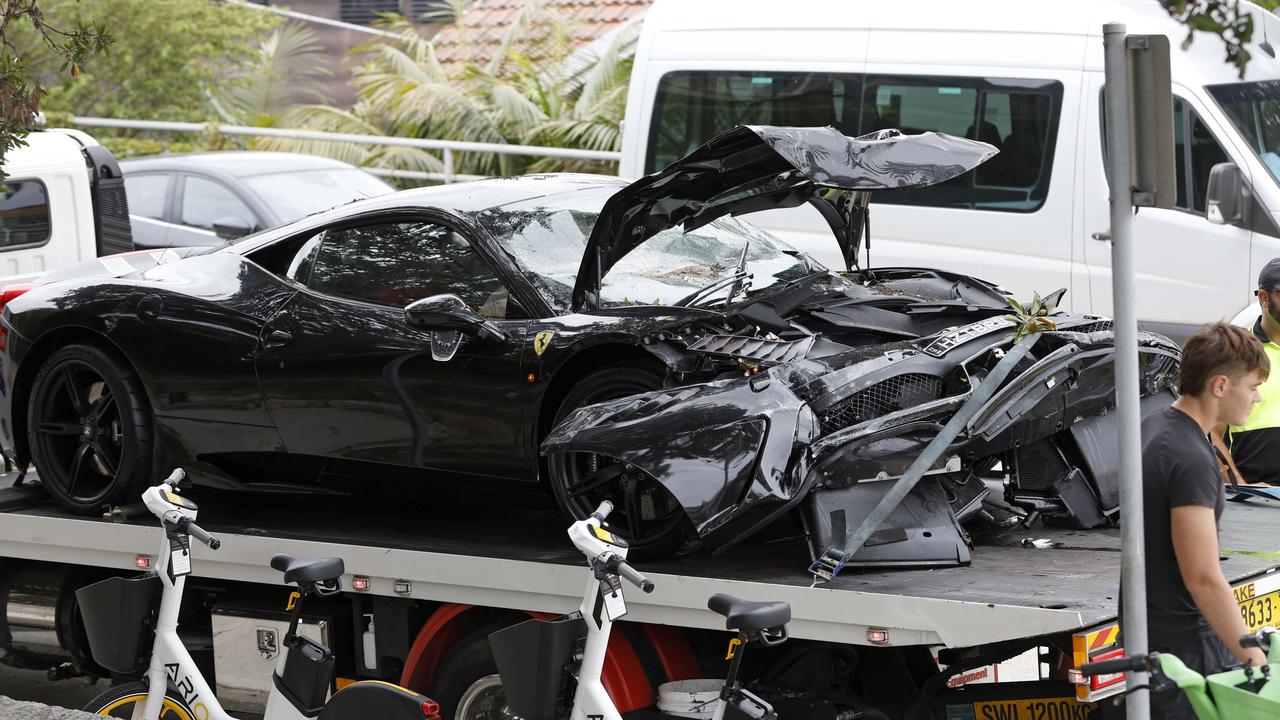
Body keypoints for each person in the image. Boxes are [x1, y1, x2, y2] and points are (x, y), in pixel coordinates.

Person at [1142, 322, 1268, 718]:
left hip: (1152, 633)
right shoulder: (1191, 457)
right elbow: (1202, 576)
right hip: (1187, 646)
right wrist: (1251, 654)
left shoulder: (1156, 426)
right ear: (1219, 386)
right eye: (1250, 386)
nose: (1258, 397)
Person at [1227, 258, 1280, 485]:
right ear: (1263, 298)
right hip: (1255, 502)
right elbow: (1209, 430)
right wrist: (1240, 484)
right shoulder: (1237, 351)